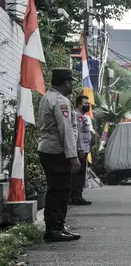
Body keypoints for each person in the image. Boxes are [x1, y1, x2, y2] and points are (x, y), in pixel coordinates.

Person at [37, 67, 81, 242]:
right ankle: (54, 228)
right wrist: (72, 156)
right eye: (71, 83)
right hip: (57, 151)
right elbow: (65, 129)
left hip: (49, 150)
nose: (72, 86)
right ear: (66, 82)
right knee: (60, 190)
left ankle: (57, 225)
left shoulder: (48, 97)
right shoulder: (60, 100)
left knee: (57, 188)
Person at [69, 95, 92, 206]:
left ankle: (76, 196)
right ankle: (76, 196)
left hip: (83, 150)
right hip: (81, 150)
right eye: (85, 104)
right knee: (79, 174)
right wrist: (81, 149)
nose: (88, 105)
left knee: (79, 173)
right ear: (79, 104)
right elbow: (78, 134)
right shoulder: (78, 116)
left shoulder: (82, 116)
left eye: (89, 104)